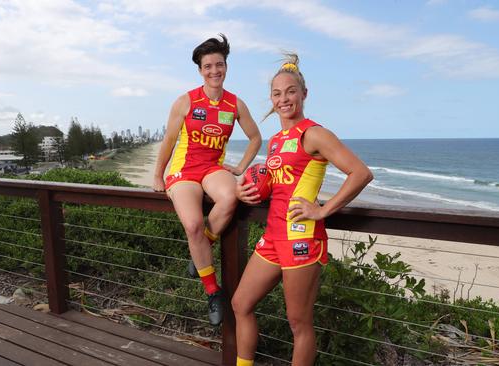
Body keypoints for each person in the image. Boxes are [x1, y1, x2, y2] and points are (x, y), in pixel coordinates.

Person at [233, 54, 373, 365]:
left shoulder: (315, 134)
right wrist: (247, 191)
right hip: (272, 236)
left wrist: (323, 210)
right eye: (278, 93)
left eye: (291, 91)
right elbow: (277, 183)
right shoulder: (276, 140)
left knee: (299, 323)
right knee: (241, 303)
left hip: (302, 240)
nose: (284, 99)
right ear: (271, 98)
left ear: (304, 94)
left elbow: (360, 173)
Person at [153, 34, 261, 326]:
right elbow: (169, 140)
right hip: (184, 171)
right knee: (193, 225)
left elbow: (255, 138)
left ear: (226, 66)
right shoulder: (186, 101)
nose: (214, 70)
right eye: (208, 66)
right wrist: (157, 174)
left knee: (231, 196)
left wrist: (240, 167)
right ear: (200, 70)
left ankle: (201, 247)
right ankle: (212, 291)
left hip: (213, 168)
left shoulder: (234, 104)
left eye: (219, 64)